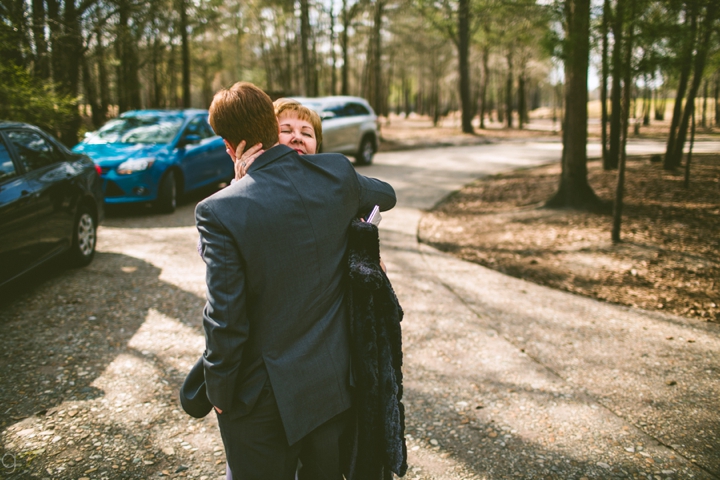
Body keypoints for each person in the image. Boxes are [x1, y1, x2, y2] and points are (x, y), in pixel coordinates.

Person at [196, 82, 396, 480]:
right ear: (272, 131)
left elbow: (225, 317)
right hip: (331, 387)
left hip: (261, 400)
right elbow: (385, 195)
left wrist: (218, 393)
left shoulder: (219, 210)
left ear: (229, 147)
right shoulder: (338, 174)